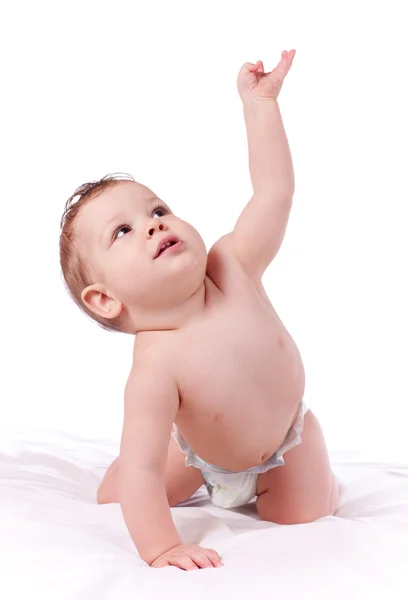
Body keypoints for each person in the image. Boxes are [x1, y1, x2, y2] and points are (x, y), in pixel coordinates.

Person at [59, 49, 339, 571]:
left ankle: (312, 465)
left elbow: (274, 192)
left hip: (286, 438)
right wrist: (162, 547)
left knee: (302, 517)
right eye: (122, 231)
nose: (153, 224)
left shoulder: (231, 266)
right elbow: (143, 471)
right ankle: (179, 463)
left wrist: (260, 106)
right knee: (122, 491)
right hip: (201, 452)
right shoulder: (155, 368)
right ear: (105, 298)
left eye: (157, 209)